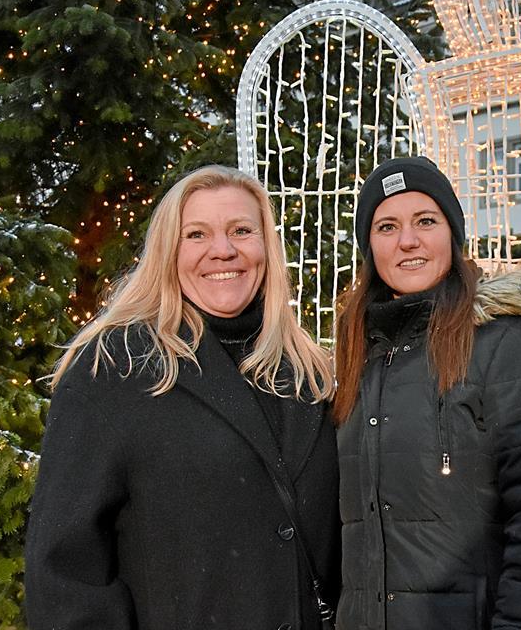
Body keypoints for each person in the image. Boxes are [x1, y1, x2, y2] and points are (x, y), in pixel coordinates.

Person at [24, 165, 339, 629]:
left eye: (241, 230)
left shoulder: (309, 372)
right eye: (197, 234)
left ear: (265, 247)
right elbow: (66, 572)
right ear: (168, 251)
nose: (223, 250)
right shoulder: (116, 368)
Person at [334, 157, 521, 629]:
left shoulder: (509, 342)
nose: (407, 241)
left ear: (452, 232)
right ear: (370, 246)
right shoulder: (357, 358)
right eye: (387, 226)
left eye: (425, 221)